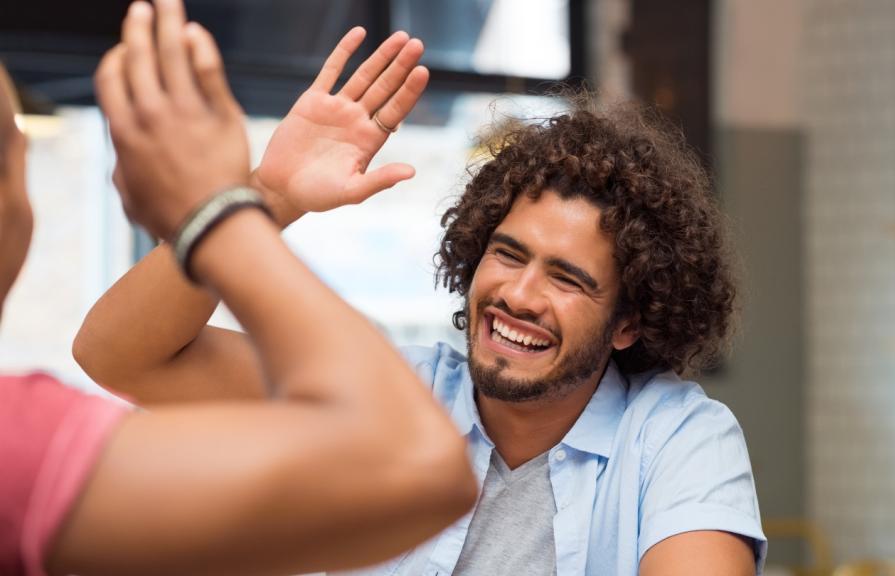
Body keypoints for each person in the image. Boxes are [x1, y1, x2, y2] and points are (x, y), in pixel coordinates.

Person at [76, 6, 769, 576]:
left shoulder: (677, 438)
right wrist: (268, 195)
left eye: (567, 278)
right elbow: (122, 357)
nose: (519, 294)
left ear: (628, 323)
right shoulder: (389, 395)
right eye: (507, 254)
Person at [0, 1, 479, 574]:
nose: (524, 296)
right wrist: (225, 212)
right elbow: (418, 466)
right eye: (17, 149)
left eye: (565, 276)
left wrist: (241, 206)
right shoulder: (17, 448)